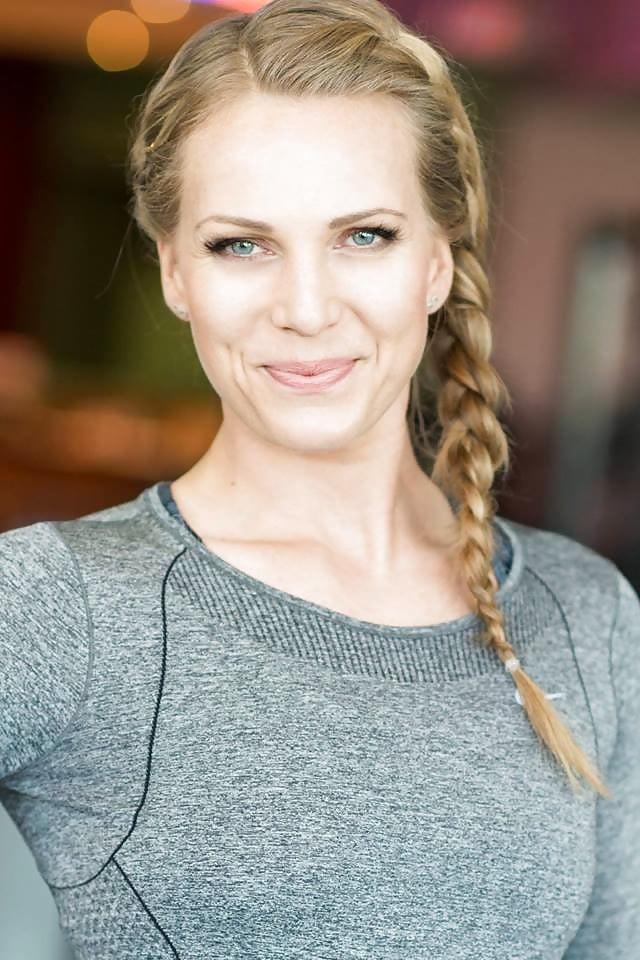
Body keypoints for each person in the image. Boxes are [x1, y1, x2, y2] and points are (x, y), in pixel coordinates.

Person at [1, 1, 638, 956]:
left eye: (364, 236)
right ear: (175, 273)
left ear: (437, 263)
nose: (304, 308)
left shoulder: (588, 614)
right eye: (241, 244)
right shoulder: (60, 608)